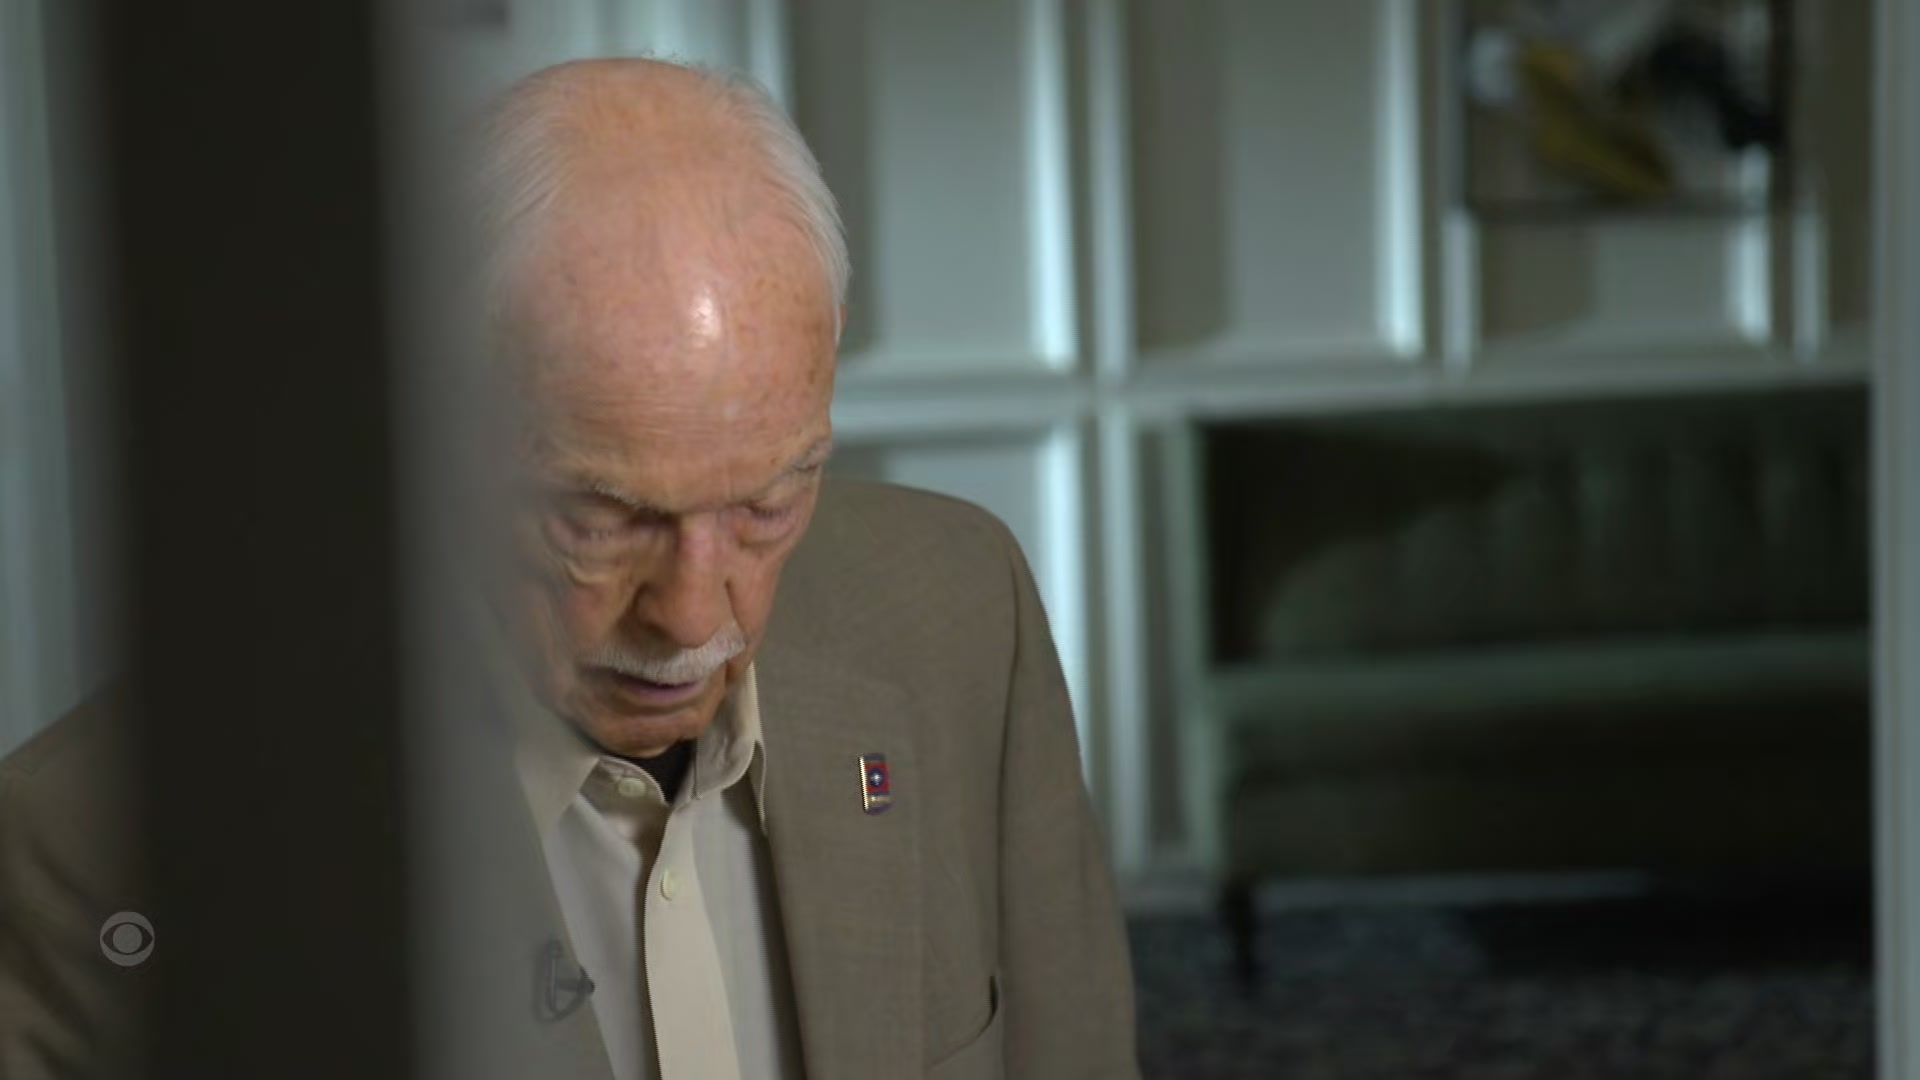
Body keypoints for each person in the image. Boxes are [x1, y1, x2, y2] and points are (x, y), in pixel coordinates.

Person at [0, 57, 1138, 1079]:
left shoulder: (962, 607)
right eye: (598, 519)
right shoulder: (94, 850)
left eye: (769, 501)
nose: (694, 616)